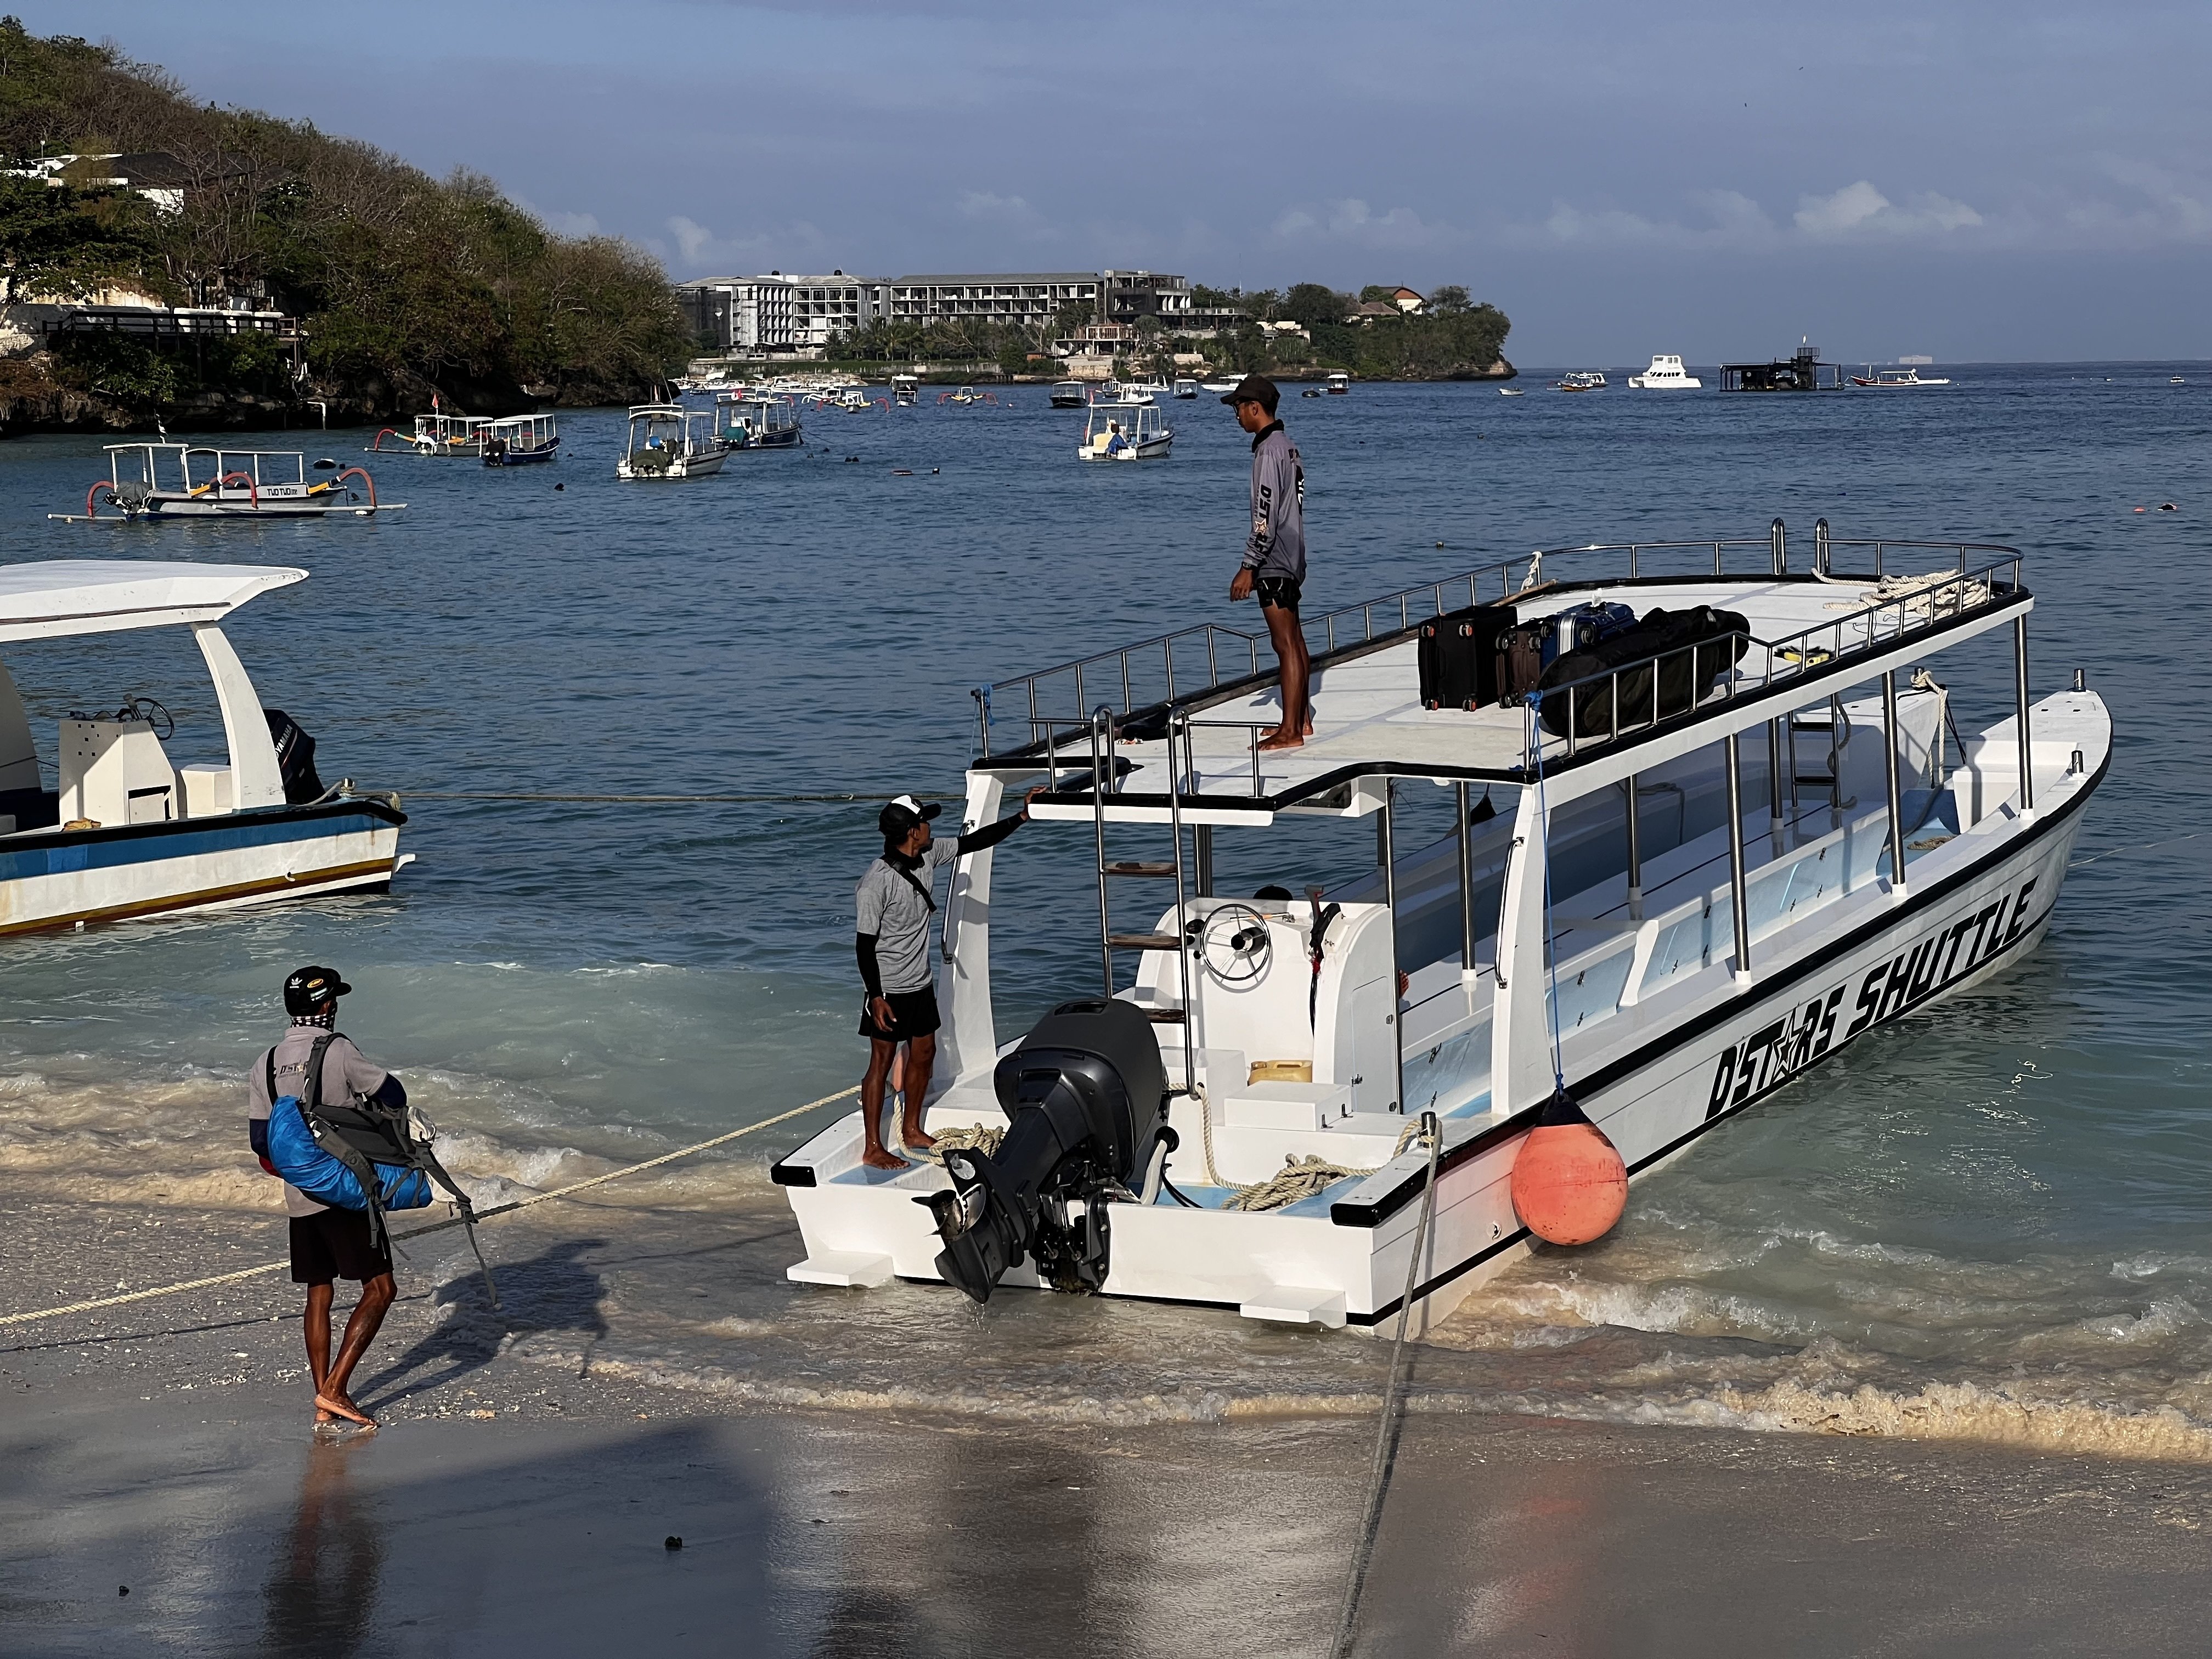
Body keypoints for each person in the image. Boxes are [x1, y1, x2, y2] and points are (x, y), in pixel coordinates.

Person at [247, 966, 408, 1430]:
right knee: (381, 1288)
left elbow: (262, 1142)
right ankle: (336, 1390)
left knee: (319, 1292)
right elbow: (391, 1092)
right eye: (333, 999)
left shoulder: (266, 1062)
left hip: (299, 1194)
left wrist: (303, 1168)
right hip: (345, 1189)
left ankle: (323, 1400)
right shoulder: (337, 1050)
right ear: (325, 1006)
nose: (335, 1005)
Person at [856, 791, 1041, 1169]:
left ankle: (911, 1128)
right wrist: (876, 997)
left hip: (919, 984)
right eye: (925, 822)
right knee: (882, 1061)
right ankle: (873, 1145)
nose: (930, 827)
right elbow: (863, 946)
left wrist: (1020, 817)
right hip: (888, 990)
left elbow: (975, 841)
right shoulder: (876, 883)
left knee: (925, 1053)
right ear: (911, 831)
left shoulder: (929, 853)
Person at [1221, 373, 1310, 749]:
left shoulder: (1269, 452)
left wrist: (1248, 566)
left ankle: (1290, 731)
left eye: (1239, 409)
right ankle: (1300, 719)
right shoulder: (1287, 446)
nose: (1237, 417)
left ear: (1255, 408)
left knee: (1284, 644)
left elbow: (1265, 517)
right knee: (1296, 641)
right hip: (1292, 555)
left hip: (1273, 560)